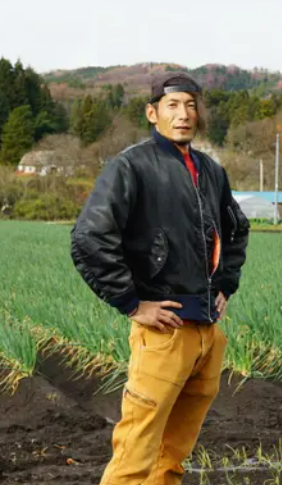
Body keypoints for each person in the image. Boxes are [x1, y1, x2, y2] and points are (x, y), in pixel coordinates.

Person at [70, 72, 250, 485]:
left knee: (171, 458)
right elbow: (89, 237)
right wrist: (132, 303)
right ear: (153, 113)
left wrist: (225, 284)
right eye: (172, 105)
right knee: (135, 457)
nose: (183, 114)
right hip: (163, 334)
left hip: (206, 333)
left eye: (190, 105)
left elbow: (236, 229)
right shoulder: (131, 166)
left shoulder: (211, 171)